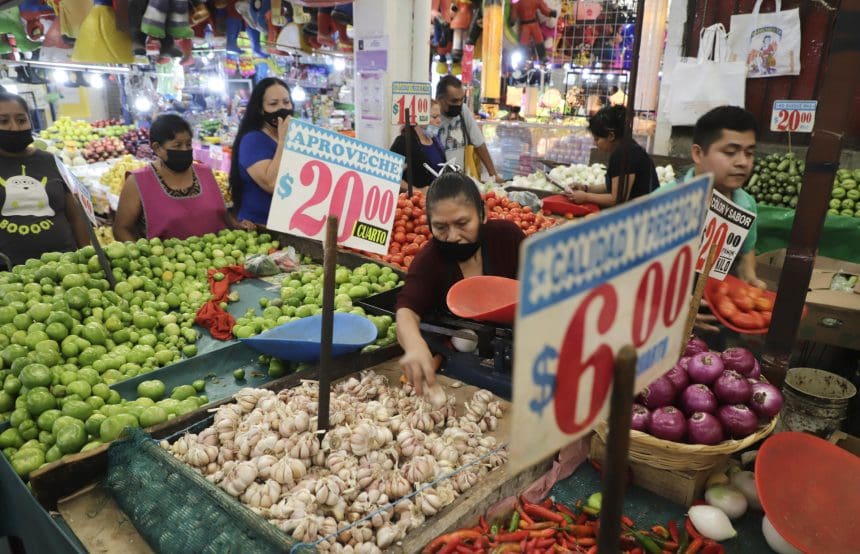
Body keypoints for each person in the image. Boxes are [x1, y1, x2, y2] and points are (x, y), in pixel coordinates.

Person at [396, 172, 526, 394]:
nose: (453, 236)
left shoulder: (508, 238)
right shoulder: (429, 260)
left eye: (462, 223)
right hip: (461, 357)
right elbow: (406, 311)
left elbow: (540, 285)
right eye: (441, 228)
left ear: (482, 214)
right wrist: (414, 345)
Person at [683, 106, 765, 333]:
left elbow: (747, 248)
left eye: (749, 153)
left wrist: (750, 278)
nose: (743, 162)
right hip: (666, 321)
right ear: (698, 154)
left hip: (718, 315)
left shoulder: (745, 203)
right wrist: (676, 305)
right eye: (731, 152)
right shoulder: (666, 203)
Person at [0, 92, 89, 269]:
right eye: (3, 121)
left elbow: (76, 216)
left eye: (21, 120)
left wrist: (88, 255)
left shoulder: (51, 161)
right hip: (11, 273)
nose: (15, 128)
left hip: (67, 267)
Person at [113, 114, 235, 242]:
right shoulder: (139, 181)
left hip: (217, 257)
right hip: (165, 260)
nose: (185, 150)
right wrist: (138, 255)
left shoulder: (205, 173)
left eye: (188, 144)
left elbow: (221, 215)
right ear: (157, 148)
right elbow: (121, 229)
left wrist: (237, 225)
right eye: (177, 145)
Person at [229, 77, 293, 226]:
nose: (281, 108)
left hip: (289, 225)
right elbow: (272, 183)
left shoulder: (296, 137)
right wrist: (284, 141)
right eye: (273, 104)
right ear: (260, 108)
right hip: (261, 227)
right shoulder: (252, 140)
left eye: (286, 102)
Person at [566, 105, 657, 208]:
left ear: (610, 136)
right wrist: (585, 188)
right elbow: (613, 187)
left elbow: (617, 199)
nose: (595, 143)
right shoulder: (627, 148)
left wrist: (586, 197)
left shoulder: (624, 154)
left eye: (597, 139)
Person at [435, 75, 503, 183]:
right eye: (454, 101)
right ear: (439, 100)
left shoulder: (463, 111)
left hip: (461, 180)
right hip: (437, 182)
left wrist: (493, 174)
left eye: (461, 100)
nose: (458, 104)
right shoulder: (431, 118)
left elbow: (479, 144)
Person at [389, 100, 446, 190]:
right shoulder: (403, 142)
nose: (439, 121)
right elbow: (390, 174)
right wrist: (416, 190)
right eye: (434, 117)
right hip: (413, 201)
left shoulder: (435, 140)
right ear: (419, 119)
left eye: (439, 116)